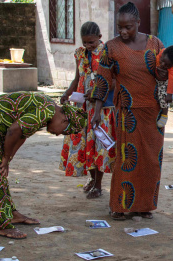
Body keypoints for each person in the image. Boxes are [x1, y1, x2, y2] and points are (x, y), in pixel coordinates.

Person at [0, 92, 86, 239]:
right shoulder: (46, 110)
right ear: (64, 120)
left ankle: (11, 215)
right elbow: (14, 130)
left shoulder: (48, 110)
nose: (56, 135)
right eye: (62, 132)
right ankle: (1, 225)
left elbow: (22, 135)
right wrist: (4, 157)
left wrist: (8, 158)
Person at [90, 2, 166, 220]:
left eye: (128, 27)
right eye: (119, 27)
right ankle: (120, 206)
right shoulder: (111, 47)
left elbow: (166, 74)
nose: (123, 32)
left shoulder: (155, 43)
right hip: (127, 114)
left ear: (138, 23)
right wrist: (96, 111)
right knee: (127, 158)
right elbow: (102, 80)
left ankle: (144, 206)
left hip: (153, 112)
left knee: (151, 160)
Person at [59, 21, 116, 199]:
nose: (88, 46)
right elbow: (78, 78)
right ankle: (92, 180)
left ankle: (98, 185)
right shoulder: (80, 54)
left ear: (100, 37)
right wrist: (67, 92)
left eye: (91, 42)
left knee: (98, 145)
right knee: (85, 145)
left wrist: (98, 91)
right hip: (82, 107)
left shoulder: (108, 53)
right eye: (85, 43)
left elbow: (114, 81)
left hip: (101, 108)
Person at [155, 45, 173, 128]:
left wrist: (169, 94)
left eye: (168, 65)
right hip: (154, 78)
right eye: (163, 60)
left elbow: (172, 80)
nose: (163, 64)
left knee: (163, 96)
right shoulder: (156, 52)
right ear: (163, 53)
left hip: (163, 82)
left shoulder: (172, 69)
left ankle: (164, 115)